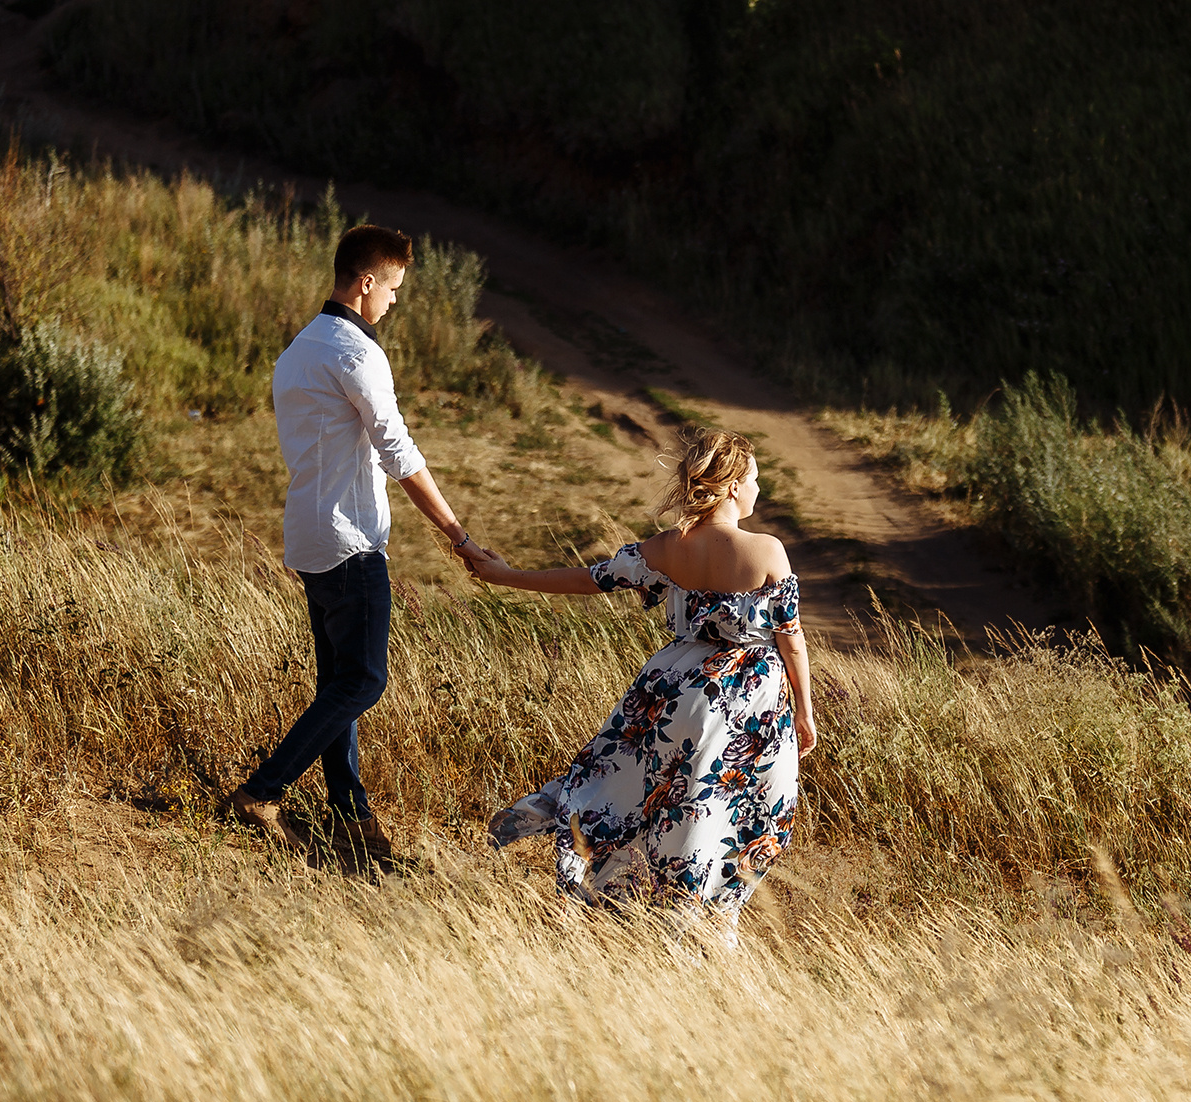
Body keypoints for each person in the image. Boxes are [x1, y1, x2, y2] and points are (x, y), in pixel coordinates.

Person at [460, 427, 815, 920]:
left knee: (641, 790)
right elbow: (791, 640)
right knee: (738, 807)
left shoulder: (668, 547)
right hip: (742, 695)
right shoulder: (768, 550)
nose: (758, 488)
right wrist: (805, 711)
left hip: (668, 687)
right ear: (733, 485)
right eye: (755, 478)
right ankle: (692, 918)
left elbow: (591, 579)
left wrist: (507, 575)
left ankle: (559, 819)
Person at [221, 224, 476, 858]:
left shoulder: (298, 350)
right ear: (367, 283)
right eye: (392, 288)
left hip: (308, 537)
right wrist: (456, 533)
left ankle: (353, 817)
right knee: (363, 682)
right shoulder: (358, 354)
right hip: (350, 539)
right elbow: (398, 451)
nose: (394, 301)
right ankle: (261, 791)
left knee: (337, 682)